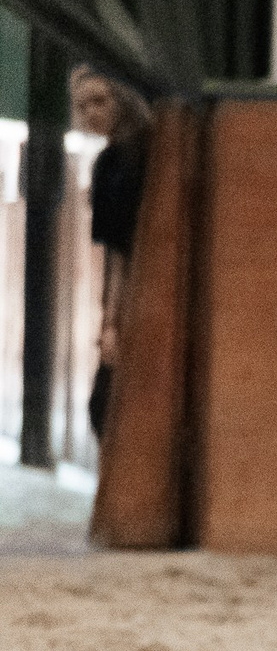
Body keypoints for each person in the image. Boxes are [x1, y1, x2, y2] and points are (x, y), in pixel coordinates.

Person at [69, 67, 153, 442]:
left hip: (151, 286)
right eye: (82, 106)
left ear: (122, 98)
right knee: (104, 408)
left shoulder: (151, 152)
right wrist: (110, 324)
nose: (90, 114)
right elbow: (115, 255)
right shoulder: (106, 164)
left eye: (99, 101)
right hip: (131, 291)